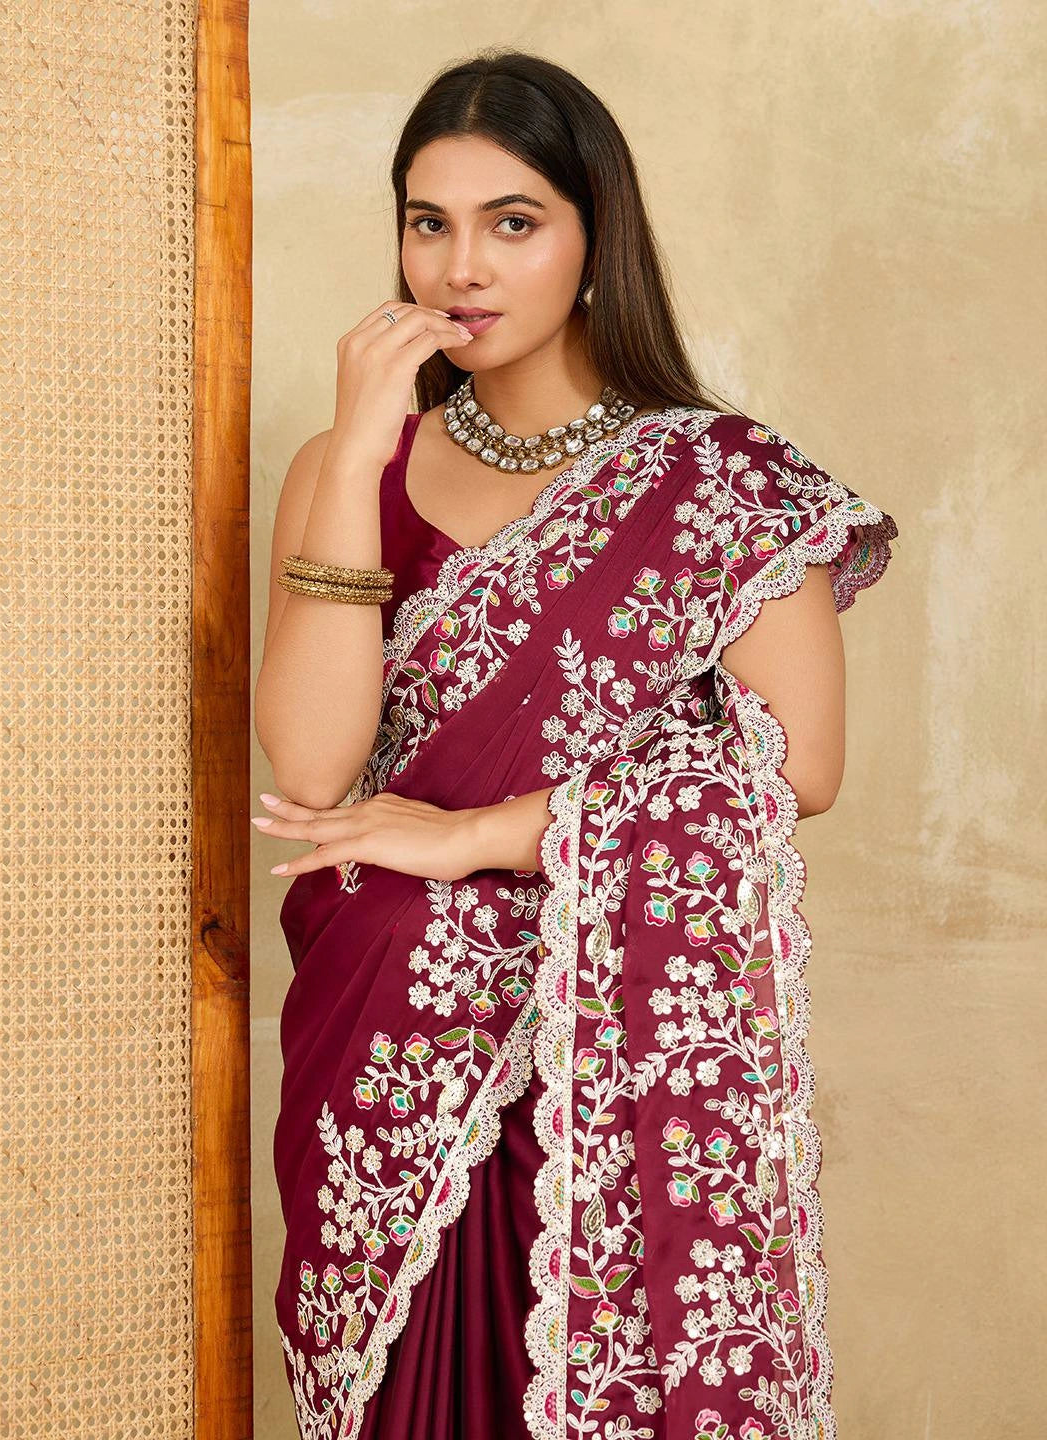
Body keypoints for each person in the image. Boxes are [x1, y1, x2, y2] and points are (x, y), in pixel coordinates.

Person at [254, 48, 898, 1440]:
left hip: (592, 1059)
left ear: (595, 241)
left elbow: (796, 774)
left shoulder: (722, 485)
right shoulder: (342, 463)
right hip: (376, 1069)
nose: (459, 268)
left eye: (513, 221)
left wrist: (473, 838)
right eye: (428, 221)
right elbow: (311, 776)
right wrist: (365, 444)